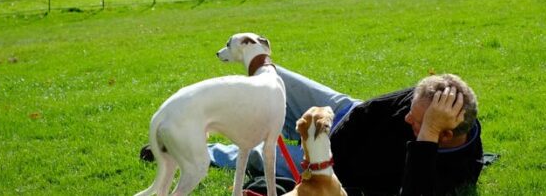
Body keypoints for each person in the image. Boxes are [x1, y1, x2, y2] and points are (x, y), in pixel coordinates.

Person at [171, 67, 484, 195]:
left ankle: (204, 151)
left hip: (333, 169)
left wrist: (317, 156)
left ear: (443, 134)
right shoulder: (429, 102)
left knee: (260, 155)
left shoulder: (457, 169)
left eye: (418, 122)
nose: (406, 118)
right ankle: (197, 116)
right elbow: (366, 112)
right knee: (271, 75)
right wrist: (326, 138)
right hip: (345, 117)